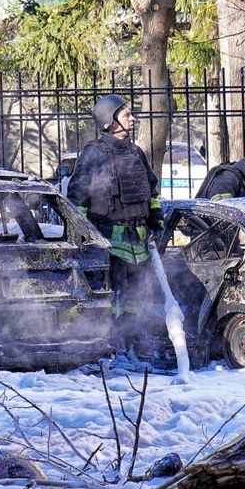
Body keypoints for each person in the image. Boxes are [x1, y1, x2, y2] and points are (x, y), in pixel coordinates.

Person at [67, 94, 162, 348]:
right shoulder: (93, 155)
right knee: (112, 295)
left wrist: (155, 216)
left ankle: (131, 340)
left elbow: (151, 191)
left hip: (138, 242)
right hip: (108, 244)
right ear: (110, 122)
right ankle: (108, 343)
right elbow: (75, 201)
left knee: (135, 296)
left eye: (131, 114)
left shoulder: (136, 153)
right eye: (127, 115)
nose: (133, 118)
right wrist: (86, 240)